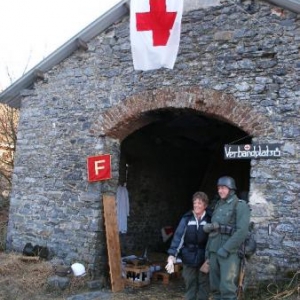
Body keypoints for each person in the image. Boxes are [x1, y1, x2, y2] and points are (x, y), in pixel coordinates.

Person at [204, 176, 250, 300]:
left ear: (231, 189)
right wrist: (208, 252)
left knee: (227, 289)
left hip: (229, 254)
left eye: (223, 188)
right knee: (215, 288)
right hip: (214, 251)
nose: (220, 191)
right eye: (219, 188)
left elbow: (242, 231)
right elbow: (214, 231)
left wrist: (226, 249)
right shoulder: (219, 205)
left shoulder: (240, 205)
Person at [166, 191, 211, 300]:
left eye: (199, 203)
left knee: (204, 286)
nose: (196, 205)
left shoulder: (210, 219)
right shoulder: (187, 218)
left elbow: (214, 240)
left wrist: (210, 258)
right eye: (195, 203)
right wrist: (172, 255)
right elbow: (178, 237)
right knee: (190, 284)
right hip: (188, 257)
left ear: (205, 205)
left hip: (204, 258)